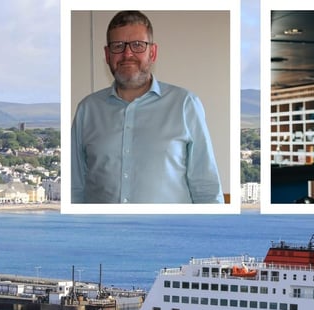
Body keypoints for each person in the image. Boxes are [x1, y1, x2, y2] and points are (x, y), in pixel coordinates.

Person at [71, 10, 224, 204]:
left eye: (138, 45)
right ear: (107, 55)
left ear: (152, 52)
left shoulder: (185, 104)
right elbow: (75, 188)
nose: (127, 54)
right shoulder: (87, 110)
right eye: (118, 46)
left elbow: (206, 187)